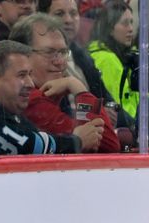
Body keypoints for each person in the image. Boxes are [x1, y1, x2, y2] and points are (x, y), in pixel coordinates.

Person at [9, 13, 119, 152]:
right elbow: (107, 146)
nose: (59, 62)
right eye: (49, 52)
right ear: (23, 57)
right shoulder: (30, 100)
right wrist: (79, 88)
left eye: (63, 52)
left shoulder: (53, 94)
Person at [0, 40, 81, 154]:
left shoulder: (7, 111)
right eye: (22, 75)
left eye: (30, 74)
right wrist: (76, 142)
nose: (31, 84)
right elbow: (18, 143)